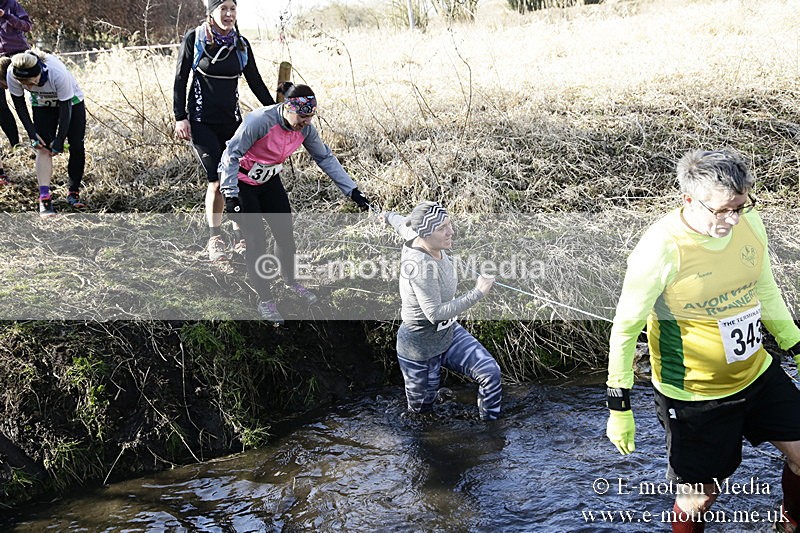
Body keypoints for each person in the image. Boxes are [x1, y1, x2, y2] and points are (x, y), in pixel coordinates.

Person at [604, 148, 800, 532]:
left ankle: (790, 524)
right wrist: (618, 404)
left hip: (755, 372)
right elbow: (625, 326)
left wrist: (793, 343)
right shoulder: (660, 248)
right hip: (695, 395)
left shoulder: (749, 221)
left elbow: (763, 286)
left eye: (740, 207)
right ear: (689, 200)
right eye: (722, 210)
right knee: (699, 497)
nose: (733, 218)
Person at [219, 82, 371, 324]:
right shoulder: (258, 121)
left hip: (269, 181)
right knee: (256, 242)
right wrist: (230, 194)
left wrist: (352, 191)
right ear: (287, 108)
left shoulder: (305, 129)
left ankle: (290, 282)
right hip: (243, 183)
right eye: (302, 116)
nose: (306, 122)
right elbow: (231, 154)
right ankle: (265, 299)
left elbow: (324, 157)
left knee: (285, 237)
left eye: (310, 116)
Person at [173, 0, 275, 262]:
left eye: (232, 8)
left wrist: (276, 112)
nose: (228, 14)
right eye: (223, 9)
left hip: (232, 122)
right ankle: (215, 237)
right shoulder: (195, 39)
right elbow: (180, 78)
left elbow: (255, 81)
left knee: (237, 176)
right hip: (200, 121)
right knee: (217, 180)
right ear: (211, 11)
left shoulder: (240, 45)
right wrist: (180, 117)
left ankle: (239, 235)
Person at [381, 201, 502, 421]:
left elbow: (402, 223)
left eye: (449, 224)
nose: (451, 231)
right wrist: (478, 292)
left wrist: (387, 215)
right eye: (442, 228)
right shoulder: (419, 267)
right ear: (425, 234)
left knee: (490, 373)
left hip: (448, 333)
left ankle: (491, 432)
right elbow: (435, 314)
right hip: (420, 348)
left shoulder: (416, 233)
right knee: (421, 416)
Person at [7, 50, 87, 217]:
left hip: (71, 102)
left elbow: (66, 109)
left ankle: (73, 192)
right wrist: (31, 133)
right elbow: (20, 105)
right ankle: (45, 199)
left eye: (31, 82)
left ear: (40, 72)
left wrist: (59, 139)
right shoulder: (11, 72)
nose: (29, 87)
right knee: (41, 147)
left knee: (76, 145)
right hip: (42, 104)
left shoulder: (57, 73)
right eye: (24, 84)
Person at [0, 0, 32, 169]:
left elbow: (27, 26)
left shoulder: (12, 4)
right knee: (1, 106)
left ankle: (38, 138)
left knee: (25, 99)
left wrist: (6, 16)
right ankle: (15, 145)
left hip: (18, 56)